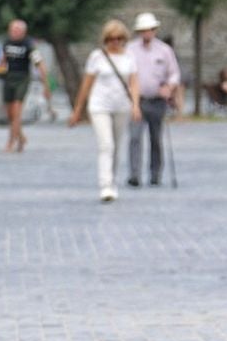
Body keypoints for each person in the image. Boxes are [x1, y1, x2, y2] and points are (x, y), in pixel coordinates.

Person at [69, 20, 142, 202]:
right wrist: (78, 109)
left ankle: (112, 180)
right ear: (105, 39)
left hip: (122, 105)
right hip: (99, 105)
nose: (115, 42)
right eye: (110, 39)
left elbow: (134, 82)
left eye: (118, 38)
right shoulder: (97, 57)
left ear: (124, 39)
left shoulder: (129, 57)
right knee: (106, 145)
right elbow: (86, 84)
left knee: (116, 146)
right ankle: (105, 185)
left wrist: (135, 105)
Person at [125, 12, 181, 187]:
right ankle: (134, 174)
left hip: (157, 100)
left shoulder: (164, 50)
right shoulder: (130, 50)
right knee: (135, 137)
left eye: (149, 29)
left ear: (154, 30)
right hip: (138, 100)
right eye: (143, 30)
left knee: (156, 138)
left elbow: (174, 73)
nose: (146, 33)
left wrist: (169, 87)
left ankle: (155, 174)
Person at [1, 19, 50, 153]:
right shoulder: (7, 43)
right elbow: (3, 60)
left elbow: (40, 64)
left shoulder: (29, 45)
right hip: (9, 77)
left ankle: (11, 141)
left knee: (17, 112)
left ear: (23, 32)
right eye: (12, 30)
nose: (14, 32)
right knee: (10, 114)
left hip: (22, 77)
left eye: (17, 30)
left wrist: (46, 85)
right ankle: (21, 137)